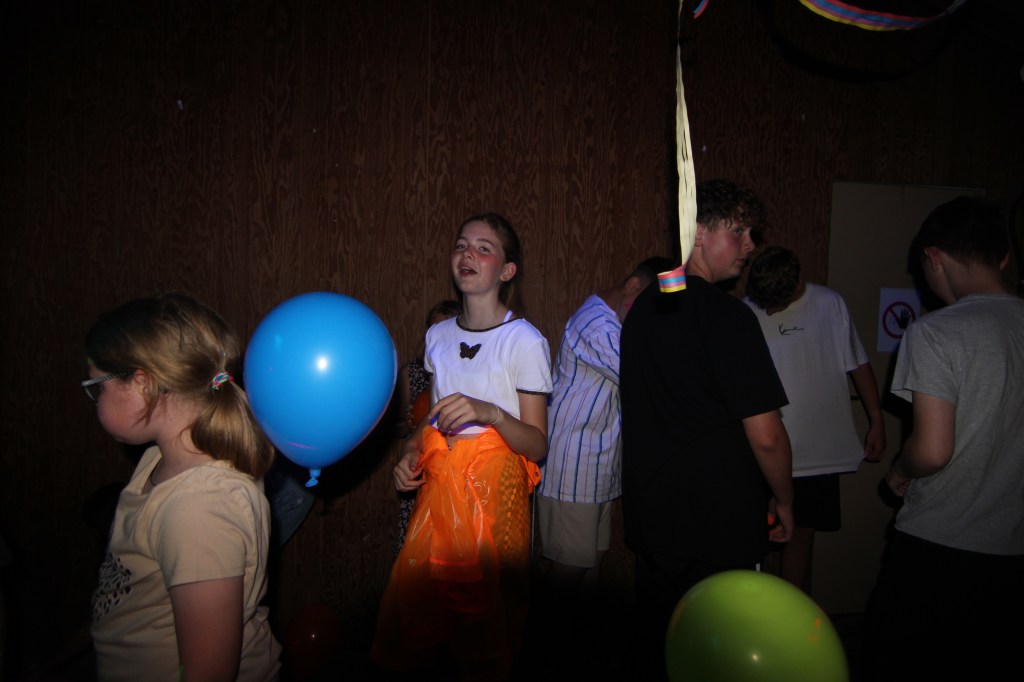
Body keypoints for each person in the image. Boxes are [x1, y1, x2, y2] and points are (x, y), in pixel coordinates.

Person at [620, 179, 794, 681]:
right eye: (738, 231)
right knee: (720, 657)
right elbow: (767, 434)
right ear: (697, 233)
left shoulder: (643, 308)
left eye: (752, 234)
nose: (750, 245)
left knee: (663, 648)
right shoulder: (727, 315)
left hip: (654, 519)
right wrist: (785, 500)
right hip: (717, 524)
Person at [371, 212, 552, 681]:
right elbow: (431, 418)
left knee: (486, 619)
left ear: (506, 270)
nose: (468, 253)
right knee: (430, 619)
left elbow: (536, 444)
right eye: (461, 245)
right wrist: (408, 455)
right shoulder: (438, 336)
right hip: (441, 491)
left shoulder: (524, 341)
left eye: (483, 248)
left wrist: (491, 413)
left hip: (495, 497)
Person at [862, 197, 1024, 680]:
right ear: (1004, 258)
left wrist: (898, 471)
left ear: (933, 257)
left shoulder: (936, 332)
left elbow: (932, 451)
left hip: (942, 544)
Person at [85, 293, 281, 682]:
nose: (94, 398)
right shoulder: (158, 459)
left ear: (142, 384)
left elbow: (208, 672)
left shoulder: (200, 507)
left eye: (97, 386)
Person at [744, 246, 886, 593]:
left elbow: (858, 363)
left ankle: (791, 614)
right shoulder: (744, 311)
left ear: (797, 284)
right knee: (751, 540)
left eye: (776, 304)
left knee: (800, 538)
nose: (769, 311)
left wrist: (876, 418)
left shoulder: (830, 304)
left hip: (818, 452)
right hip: (762, 451)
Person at [536, 256, 673, 597]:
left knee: (591, 562)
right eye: (650, 306)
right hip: (572, 466)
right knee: (570, 568)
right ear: (632, 286)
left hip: (594, 464)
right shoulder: (597, 325)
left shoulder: (614, 323)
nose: (652, 317)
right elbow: (649, 381)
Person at [392, 298, 462, 557]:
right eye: (434, 329)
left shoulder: (468, 373)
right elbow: (396, 428)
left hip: (455, 468)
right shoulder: (412, 373)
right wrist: (408, 424)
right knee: (415, 547)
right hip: (418, 467)